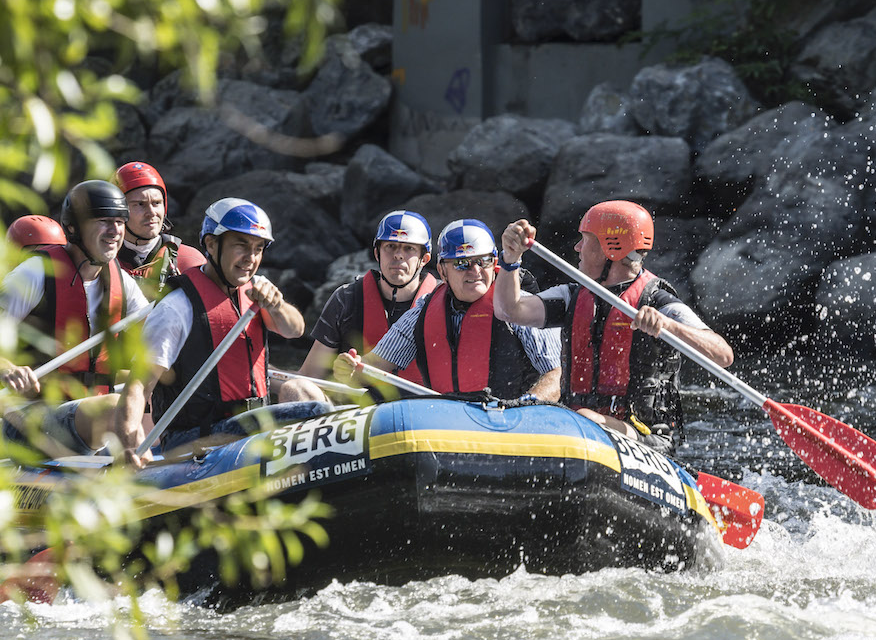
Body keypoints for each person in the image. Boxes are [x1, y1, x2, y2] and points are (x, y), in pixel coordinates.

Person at [494, 200, 733, 454]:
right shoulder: (572, 296)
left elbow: (723, 355)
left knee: (583, 417)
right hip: (578, 425)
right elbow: (510, 310)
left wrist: (668, 326)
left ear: (612, 249)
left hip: (645, 436)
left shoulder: (657, 301)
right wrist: (511, 259)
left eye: (584, 240)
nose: (577, 247)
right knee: (570, 417)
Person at [116, 197, 330, 467]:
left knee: (301, 389)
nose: (250, 258)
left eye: (258, 248)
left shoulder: (255, 292)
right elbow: (138, 386)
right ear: (211, 244)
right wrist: (129, 444)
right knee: (315, 411)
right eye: (241, 245)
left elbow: (295, 330)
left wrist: (276, 304)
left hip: (247, 422)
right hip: (194, 436)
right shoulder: (176, 307)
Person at [0, 181, 149, 456]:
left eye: (120, 221)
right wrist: (5, 367)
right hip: (31, 417)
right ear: (73, 227)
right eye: (103, 221)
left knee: (150, 403)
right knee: (116, 407)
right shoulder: (35, 273)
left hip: (85, 413)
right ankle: (146, 480)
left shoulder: (121, 282)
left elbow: (158, 333)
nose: (115, 231)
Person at [334, 219, 562, 401]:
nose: (474, 271)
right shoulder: (422, 313)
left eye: (482, 261)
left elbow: (557, 375)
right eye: (462, 263)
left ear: (494, 264)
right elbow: (372, 366)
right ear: (442, 272)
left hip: (512, 422)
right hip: (448, 427)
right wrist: (351, 368)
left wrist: (526, 406)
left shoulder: (521, 306)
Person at [299, 209, 438, 384]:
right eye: (390, 246)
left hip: (422, 405)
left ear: (424, 259)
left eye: (409, 248)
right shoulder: (346, 299)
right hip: (357, 407)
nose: (398, 255)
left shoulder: (443, 301)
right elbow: (310, 376)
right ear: (377, 253)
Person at [111, 161, 206, 295]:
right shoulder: (100, 266)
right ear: (118, 211)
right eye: (140, 204)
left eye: (156, 203)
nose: (151, 212)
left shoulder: (191, 261)